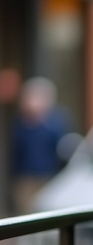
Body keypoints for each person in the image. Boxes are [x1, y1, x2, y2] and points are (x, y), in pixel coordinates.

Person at [11, 77, 69, 215]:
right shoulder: (20, 124)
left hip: (49, 177)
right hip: (25, 179)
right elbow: (15, 153)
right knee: (25, 214)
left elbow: (62, 149)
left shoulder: (55, 122)